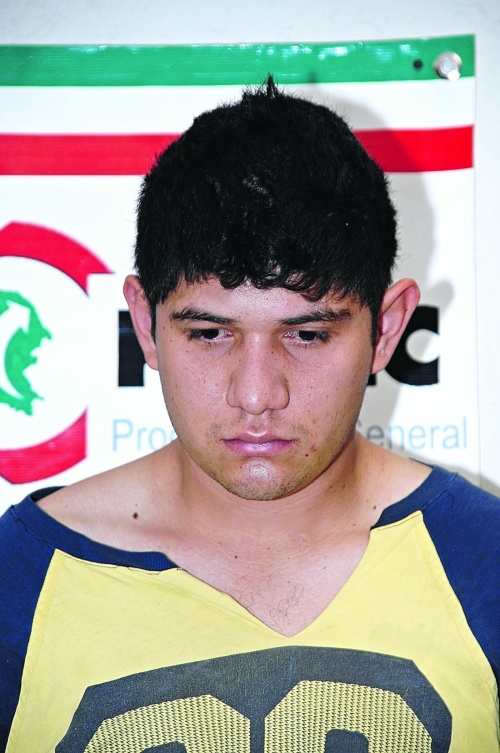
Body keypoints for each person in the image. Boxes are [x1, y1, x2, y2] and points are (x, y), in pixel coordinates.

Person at [0, 78, 498, 753]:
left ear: (386, 329)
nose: (257, 394)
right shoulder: (21, 578)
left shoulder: (485, 561)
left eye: (308, 334)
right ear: (145, 324)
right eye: (210, 334)